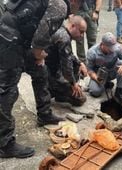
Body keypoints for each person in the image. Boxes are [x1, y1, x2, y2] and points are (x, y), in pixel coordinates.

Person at [0, 0, 69, 158]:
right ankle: (4, 144)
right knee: (7, 90)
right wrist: (39, 54)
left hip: (19, 36)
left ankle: (44, 113)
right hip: (10, 38)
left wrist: (38, 55)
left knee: (40, 71)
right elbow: (42, 35)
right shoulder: (60, 4)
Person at [46, 15, 88, 107]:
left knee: (77, 66)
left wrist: (80, 63)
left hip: (53, 68)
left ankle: (59, 91)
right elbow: (67, 67)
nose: (81, 36)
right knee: (81, 99)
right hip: (49, 73)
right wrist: (73, 84)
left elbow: (69, 55)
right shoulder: (64, 38)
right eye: (81, 32)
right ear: (73, 26)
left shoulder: (62, 29)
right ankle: (54, 92)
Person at [87, 32, 122, 101]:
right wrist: (97, 78)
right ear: (103, 44)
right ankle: (105, 84)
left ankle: (120, 90)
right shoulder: (92, 52)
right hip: (100, 75)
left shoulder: (117, 48)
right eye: (110, 48)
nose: (112, 50)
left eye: (113, 47)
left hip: (112, 71)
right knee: (95, 92)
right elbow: (89, 70)